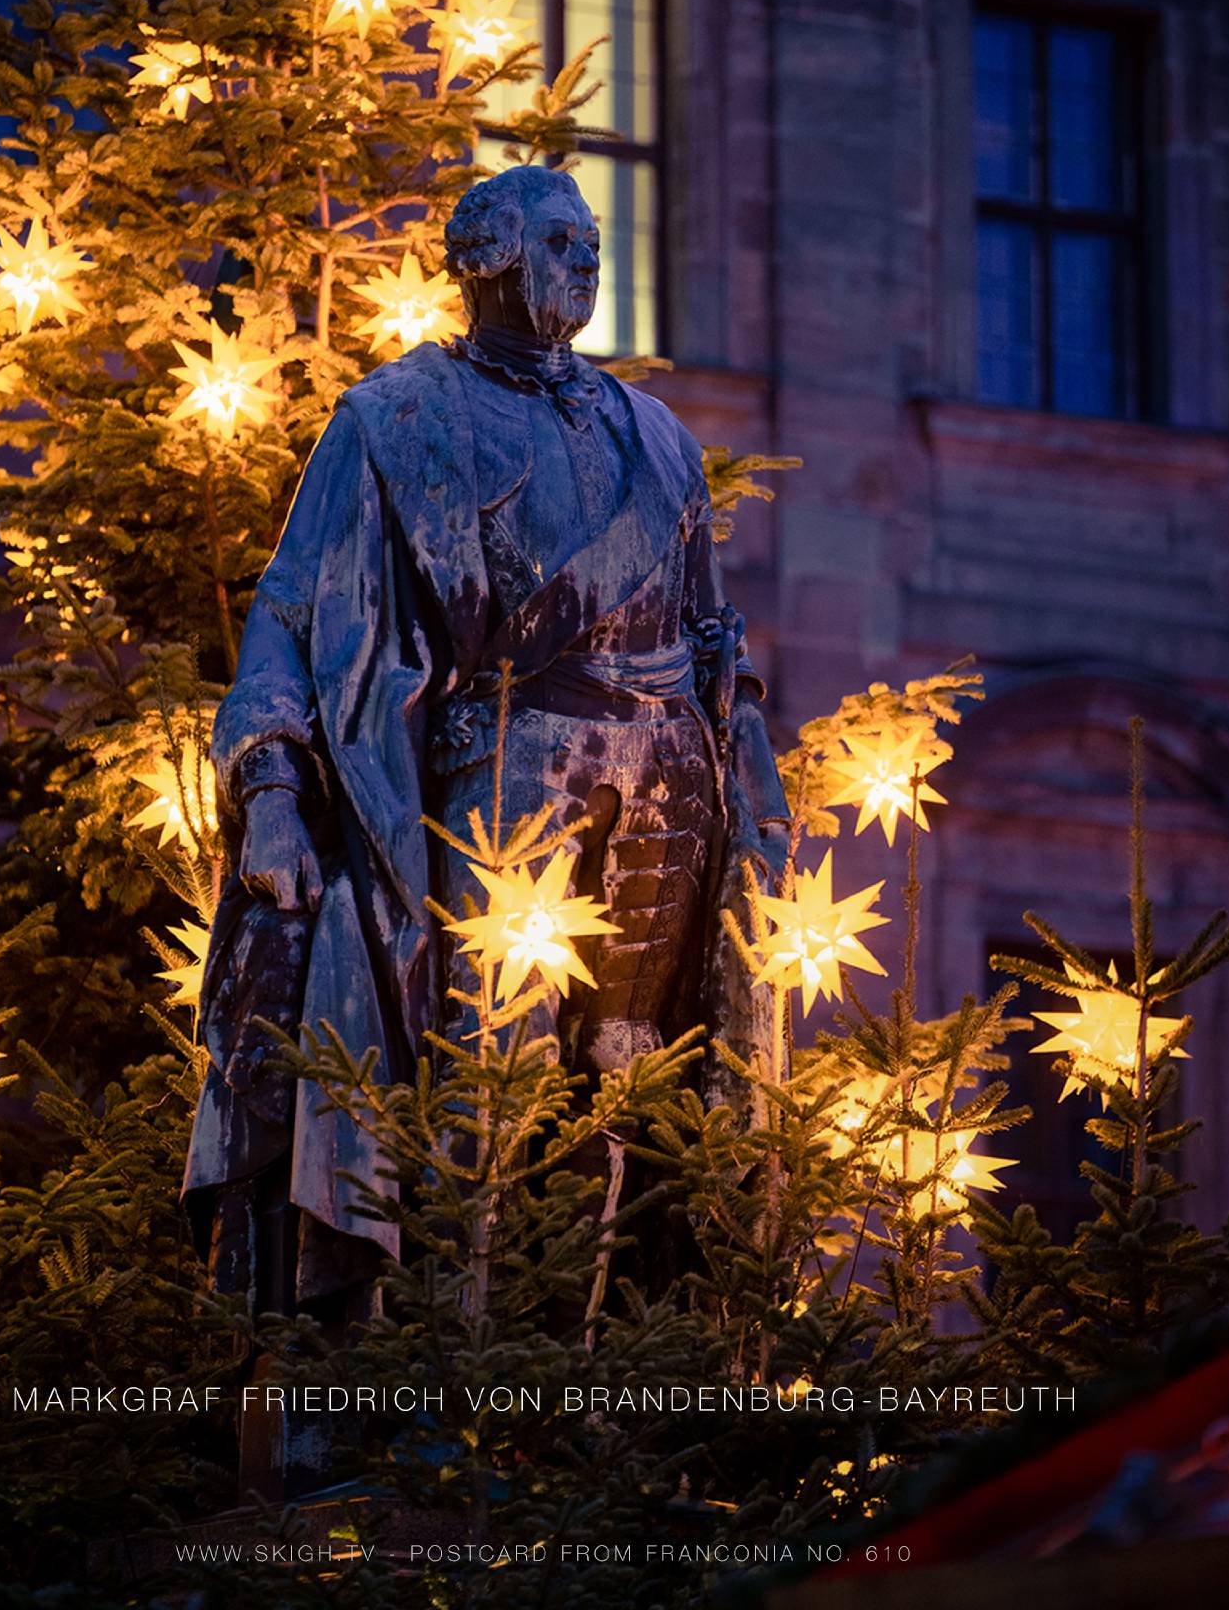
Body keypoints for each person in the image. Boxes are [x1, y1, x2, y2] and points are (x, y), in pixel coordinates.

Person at [183, 165, 789, 1315]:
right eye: (561, 240)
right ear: (488, 257)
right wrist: (270, 792)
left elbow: (716, 633)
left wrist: (752, 779)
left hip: (670, 782)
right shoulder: (394, 417)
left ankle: (587, 1340)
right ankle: (459, 1335)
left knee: (630, 1063)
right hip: (509, 761)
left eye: (592, 240)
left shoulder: (659, 437)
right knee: (491, 1063)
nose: (588, 259)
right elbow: (292, 611)